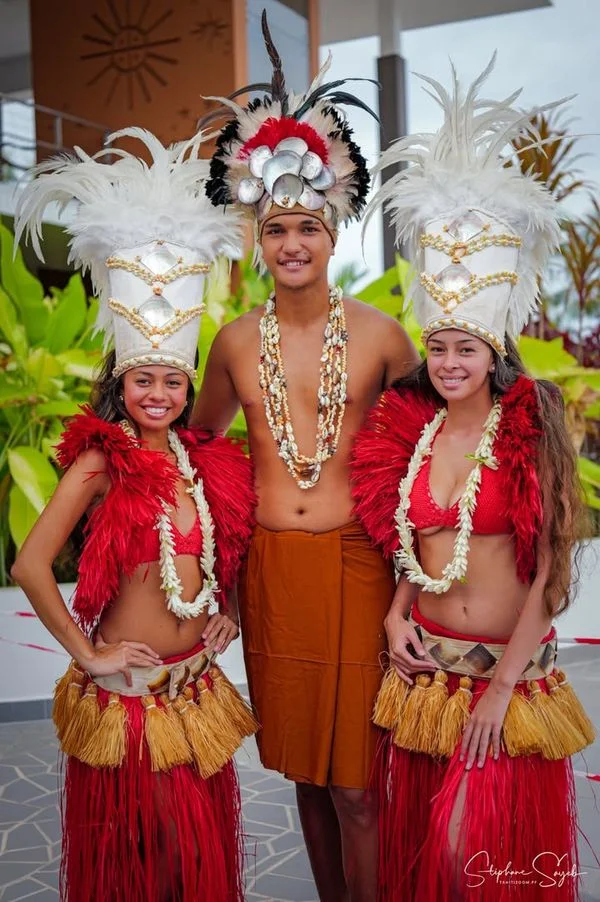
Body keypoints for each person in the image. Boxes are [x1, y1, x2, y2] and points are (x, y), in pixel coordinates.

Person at [351, 59, 595, 902]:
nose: (451, 362)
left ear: (495, 352)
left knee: (478, 861)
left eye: (469, 348)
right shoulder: (410, 431)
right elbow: (408, 550)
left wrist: (499, 690)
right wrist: (392, 618)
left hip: (502, 681)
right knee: (432, 870)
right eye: (442, 346)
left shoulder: (532, 427)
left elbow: (550, 572)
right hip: (427, 678)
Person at [193, 13, 418, 902]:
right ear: (259, 238)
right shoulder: (232, 343)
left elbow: (432, 443)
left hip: (358, 566)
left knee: (359, 786)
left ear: (335, 236)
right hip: (273, 574)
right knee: (305, 778)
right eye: (277, 227)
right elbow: (199, 446)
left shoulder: (382, 337)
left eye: (308, 229)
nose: (293, 243)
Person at [11, 129, 257, 902]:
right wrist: (89, 656)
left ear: (187, 389)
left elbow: (227, 554)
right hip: (131, 703)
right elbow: (27, 564)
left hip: (196, 692)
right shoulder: (98, 460)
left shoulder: (200, 461)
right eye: (144, 378)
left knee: (198, 867)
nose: (159, 393)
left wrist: (230, 615)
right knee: (141, 868)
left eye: (172, 381)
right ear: (122, 383)